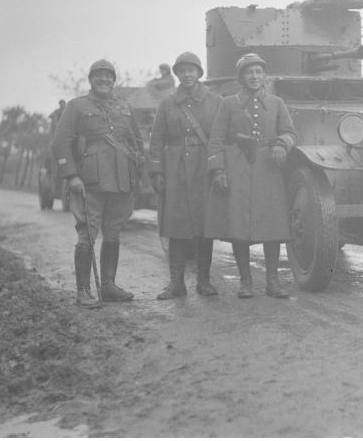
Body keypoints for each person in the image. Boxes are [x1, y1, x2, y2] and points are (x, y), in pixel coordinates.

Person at [53, 59, 144, 308]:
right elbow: (61, 142)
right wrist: (71, 175)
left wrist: (137, 172)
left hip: (121, 180)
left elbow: (136, 142)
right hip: (90, 181)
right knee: (88, 234)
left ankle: (109, 286)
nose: (104, 80)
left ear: (114, 80)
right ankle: (83, 291)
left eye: (108, 76)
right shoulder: (76, 106)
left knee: (113, 233)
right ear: (91, 79)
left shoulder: (125, 107)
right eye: (99, 76)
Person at [205, 53, 296, 299]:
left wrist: (281, 143)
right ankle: (245, 282)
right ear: (241, 77)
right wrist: (219, 170)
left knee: (273, 226)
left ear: (264, 76)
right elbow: (216, 139)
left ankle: (273, 282)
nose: (254, 77)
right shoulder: (228, 103)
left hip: (268, 168)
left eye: (258, 72)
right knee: (239, 225)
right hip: (238, 166)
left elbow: (289, 132)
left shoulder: (277, 103)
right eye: (249, 72)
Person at [149, 52, 221, 299]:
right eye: (182, 71)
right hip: (176, 168)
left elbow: (221, 137)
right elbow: (157, 140)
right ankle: (176, 283)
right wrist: (157, 170)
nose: (187, 74)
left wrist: (218, 167)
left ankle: (204, 281)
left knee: (204, 225)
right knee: (176, 225)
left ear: (200, 73)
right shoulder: (167, 104)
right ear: (177, 75)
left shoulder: (215, 101)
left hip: (204, 165)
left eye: (192, 70)